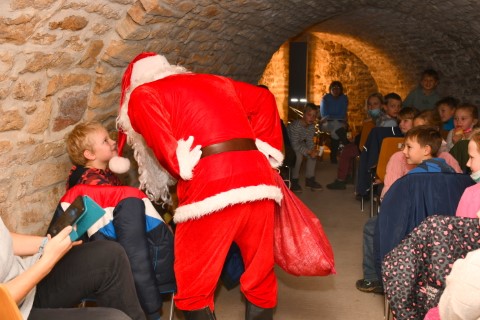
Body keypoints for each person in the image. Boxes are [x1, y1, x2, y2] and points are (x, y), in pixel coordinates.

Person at [115, 52, 284, 319]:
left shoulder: (143, 92)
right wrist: (265, 148)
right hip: (259, 180)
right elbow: (264, 98)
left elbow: (154, 128)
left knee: (192, 281)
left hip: (210, 186)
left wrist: (176, 161)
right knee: (260, 271)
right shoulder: (216, 81)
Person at [65, 121, 172, 320]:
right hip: (112, 251)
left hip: (104, 250)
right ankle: (150, 308)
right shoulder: (94, 184)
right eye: (105, 141)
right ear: (90, 154)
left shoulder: (94, 177)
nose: (113, 142)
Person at [356, 126, 455, 294]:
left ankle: (375, 278)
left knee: (372, 227)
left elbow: (393, 207)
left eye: (409, 147)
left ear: (426, 150)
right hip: (443, 228)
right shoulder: (449, 170)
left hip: (414, 226)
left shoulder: (412, 178)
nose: (404, 151)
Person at [0, 217, 145, 320]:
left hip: (23, 280)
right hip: (9, 312)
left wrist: (47, 243)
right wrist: (47, 261)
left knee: (111, 256)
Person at [380, 109, 462, 199]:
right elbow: (390, 193)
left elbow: (458, 189)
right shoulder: (399, 157)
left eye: (423, 129)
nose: (417, 133)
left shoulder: (446, 158)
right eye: (414, 128)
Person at [327, 93, 400, 190]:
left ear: (383, 106)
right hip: (369, 146)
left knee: (347, 150)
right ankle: (347, 175)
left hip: (374, 150)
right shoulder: (377, 119)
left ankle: (341, 179)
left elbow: (377, 139)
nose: (372, 107)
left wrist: (358, 140)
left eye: (375, 104)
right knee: (348, 148)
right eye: (370, 104)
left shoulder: (387, 121)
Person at [287, 102, 323, 192]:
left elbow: (310, 141)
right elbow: (294, 146)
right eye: (309, 115)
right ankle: (294, 180)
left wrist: (313, 150)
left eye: (314, 116)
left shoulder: (311, 126)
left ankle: (309, 179)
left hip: (298, 143)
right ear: (303, 114)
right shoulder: (296, 126)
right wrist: (308, 151)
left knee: (312, 154)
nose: (312, 118)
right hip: (288, 144)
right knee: (298, 156)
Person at [320, 81, 348, 163]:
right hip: (325, 124)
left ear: (341, 90)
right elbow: (324, 115)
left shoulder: (344, 98)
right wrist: (338, 118)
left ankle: (333, 156)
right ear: (330, 89)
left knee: (335, 131)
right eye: (333, 88)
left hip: (338, 123)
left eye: (338, 88)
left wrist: (335, 117)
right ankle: (347, 144)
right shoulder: (325, 99)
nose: (336, 90)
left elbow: (343, 113)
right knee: (337, 126)